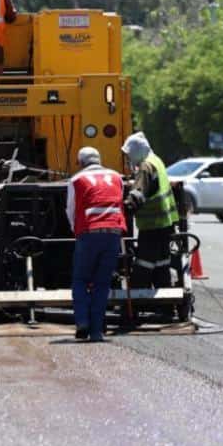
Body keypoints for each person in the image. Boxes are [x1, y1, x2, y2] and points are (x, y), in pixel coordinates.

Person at [66, 147, 126, 342]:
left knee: (80, 280)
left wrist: (76, 231)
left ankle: (82, 321)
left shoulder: (76, 180)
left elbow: (71, 210)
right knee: (102, 283)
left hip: (89, 233)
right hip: (114, 233)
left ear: (81, 162)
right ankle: (97, 331)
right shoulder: (116, 177)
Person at [120, 131, 179, 291]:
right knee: (161, 264)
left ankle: (137, 302)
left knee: (143, 265)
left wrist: (123, 209)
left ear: (136, 152)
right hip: (165, 223)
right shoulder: (156, 161)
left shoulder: (145, 166)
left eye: (128, 155)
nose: (128, 159)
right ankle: (165, 304)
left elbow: (138, 193)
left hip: (152, 225)